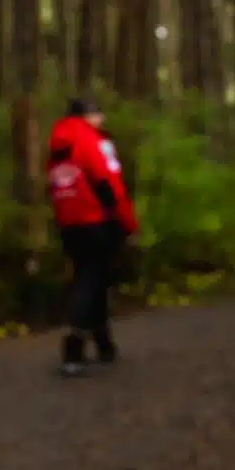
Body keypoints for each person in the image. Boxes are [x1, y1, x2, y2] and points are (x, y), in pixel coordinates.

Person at [46, 98, 138, 376]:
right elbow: (107, 181)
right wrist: (126, 222)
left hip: (69, 221)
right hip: (97, 220)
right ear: (88, 116)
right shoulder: (93, 141)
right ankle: (73, 346)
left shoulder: (57, 144)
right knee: (91, 278)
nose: (102, 119)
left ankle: (103, 342)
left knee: (92, 276)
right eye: (99, 114)